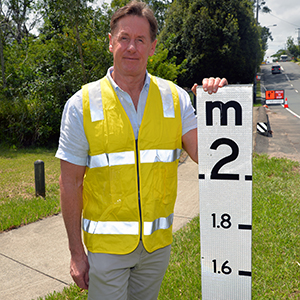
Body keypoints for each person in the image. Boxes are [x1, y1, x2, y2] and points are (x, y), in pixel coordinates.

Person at [56, 1, 228, 299]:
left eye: (140, 40)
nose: (131, 47)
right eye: (124, 38)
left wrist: (218, 105)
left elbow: (208, 155)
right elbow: (70, 182)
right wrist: (76, 252)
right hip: (106, 251)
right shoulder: (81, 104)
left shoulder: (175, 98)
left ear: (152, 47)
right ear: (111, 42)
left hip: (156, 248)